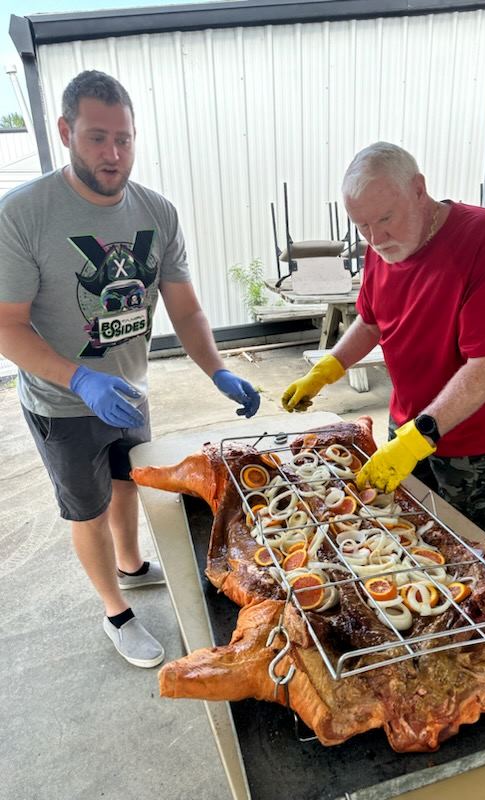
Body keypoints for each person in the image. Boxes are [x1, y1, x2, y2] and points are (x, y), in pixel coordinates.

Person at [0, 70, 260, 669]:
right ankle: (116, 612)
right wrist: (79, 378)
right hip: (62, 402)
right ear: (66, 132)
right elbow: (8, 325)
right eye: (96, 138)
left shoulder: (156, 212)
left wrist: (216, 370)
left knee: (127, 482)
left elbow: (185, 305)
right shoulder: (25, 215)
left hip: (129, 388)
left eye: (124, 138)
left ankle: (131, 563)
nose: (113, 154)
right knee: (86, 506)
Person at [282, 142, 485, 535]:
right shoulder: (382, 243)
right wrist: (330, 367)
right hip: (407, 421)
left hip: (469, 434)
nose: (376, 238)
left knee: (462, 544)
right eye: (362, 226)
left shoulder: (480, 234)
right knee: (401, 531)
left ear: (418, 188)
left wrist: (421, 436)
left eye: (386, 219)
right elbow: (373, 321)